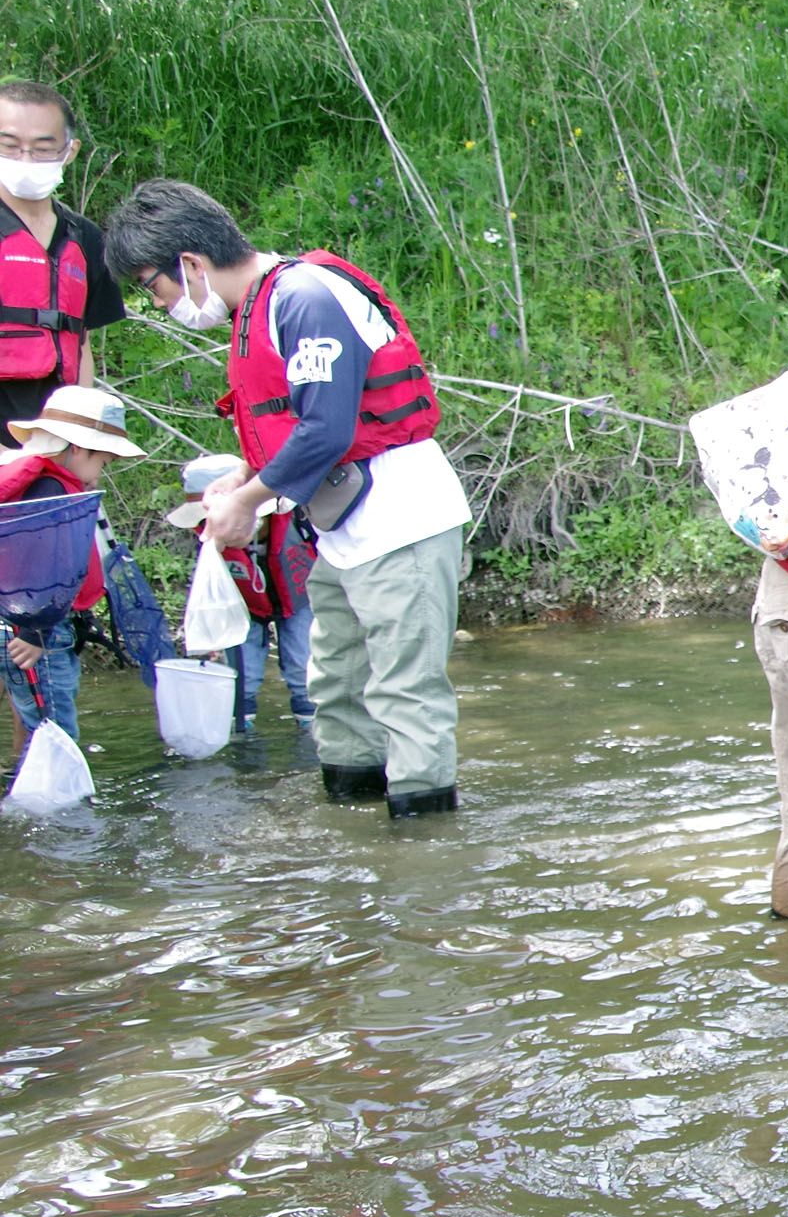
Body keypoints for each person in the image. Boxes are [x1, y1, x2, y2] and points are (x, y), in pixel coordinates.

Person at [106, 180, 470, 818]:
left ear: (189, 264)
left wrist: (248, 501)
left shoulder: (302, 296)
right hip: (342, 531)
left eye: (153, 286)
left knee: (406, 693)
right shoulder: (260, 305)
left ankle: (423, 866)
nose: (158, 302)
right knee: (336, 685)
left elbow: (326, 429)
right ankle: (353, 836)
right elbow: (300, 420)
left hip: (401, 520)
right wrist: (246, 475)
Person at [1, 386, 145, 745]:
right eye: (102, 462)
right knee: (54, 733)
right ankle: (58, 801)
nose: (100, 472)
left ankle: (36, 792)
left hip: (35, 624)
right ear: (77, 447)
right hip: (36, 629)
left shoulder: (42, 482)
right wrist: (36, 633)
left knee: (44, 723)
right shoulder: (49, 492)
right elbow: (37, 568)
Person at [0, 84, 128, 427]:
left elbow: (81, 341)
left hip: (57, 431)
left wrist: (78, 430)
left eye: (42, 148)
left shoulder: (85, 238)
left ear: (69, 151)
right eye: (9, 146)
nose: (24, 159)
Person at [166, 452, 316, 732]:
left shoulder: (298, 520)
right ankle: (242, 744)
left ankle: (313, 741)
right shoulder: (208, 538)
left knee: (304, 672)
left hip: (299, 600)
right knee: (241, 680)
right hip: (244, 608)